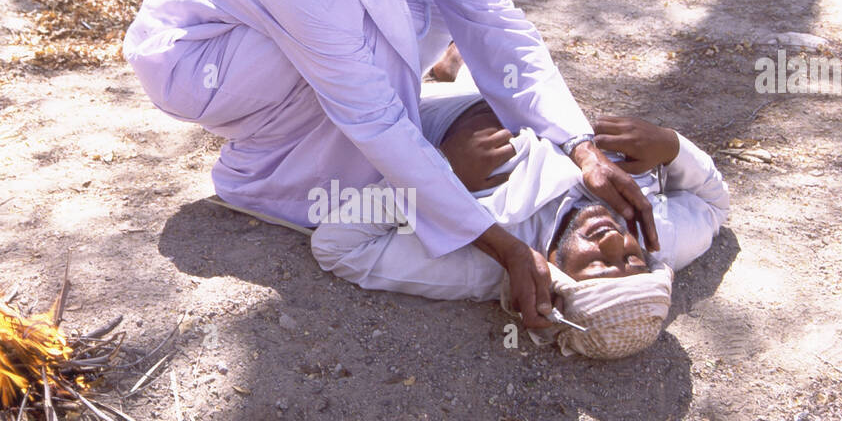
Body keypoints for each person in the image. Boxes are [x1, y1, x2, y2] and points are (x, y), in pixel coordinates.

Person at [123, 0, 656, 331]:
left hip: (279, 39)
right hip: (196, 62)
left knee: (432, 9)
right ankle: (267, 182)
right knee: (372, 42)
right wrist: (501, 247)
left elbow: (492, 21)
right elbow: (371, 114)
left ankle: (379, 169)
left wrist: (580, 146)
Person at [310, 88, 730, 359]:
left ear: (557, 284)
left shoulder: (487, 264)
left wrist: (438, 175)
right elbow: (714, 207)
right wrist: (672, 147)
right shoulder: (654, 236)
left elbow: (339, 246)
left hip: (418, 100)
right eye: (633, 262)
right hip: (530, 88)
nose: (616, 245)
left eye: (600, 267)